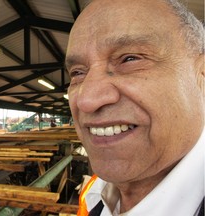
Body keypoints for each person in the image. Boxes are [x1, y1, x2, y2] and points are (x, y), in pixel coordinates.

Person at [65, 0, 204, 215]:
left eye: (129, 59)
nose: (87, 100)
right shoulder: (93, 194)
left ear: (201, 76)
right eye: (77, 73)